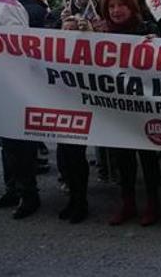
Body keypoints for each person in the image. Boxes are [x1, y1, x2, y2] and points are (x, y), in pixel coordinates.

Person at [0, 0, 52, 219]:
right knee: (5, 143)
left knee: (19, 143)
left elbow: (17, 41)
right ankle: (12, 189)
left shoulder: (9, 6)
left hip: (13, 84)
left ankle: (29, 195)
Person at [100, 0, 161, 228]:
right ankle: (127, 203)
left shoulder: (148, 29)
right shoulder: (101, 33)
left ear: (131, 7)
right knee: (122, 160)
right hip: (117, 108)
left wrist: (156, 45)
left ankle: (153, 204)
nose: (116, 11)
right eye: (111, 7)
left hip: (144, 107)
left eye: (120, 5)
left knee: (148, 159)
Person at [55, 15, 93, 224]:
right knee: (65, 158)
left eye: (72, 29)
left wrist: (88, 34)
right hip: (61, 109)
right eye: (65, 29)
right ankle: (72, 199)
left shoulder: (85, 51)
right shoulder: (54, 51)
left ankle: (81, 202)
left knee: (77, 158)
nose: (68, 33)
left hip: (80, 110)